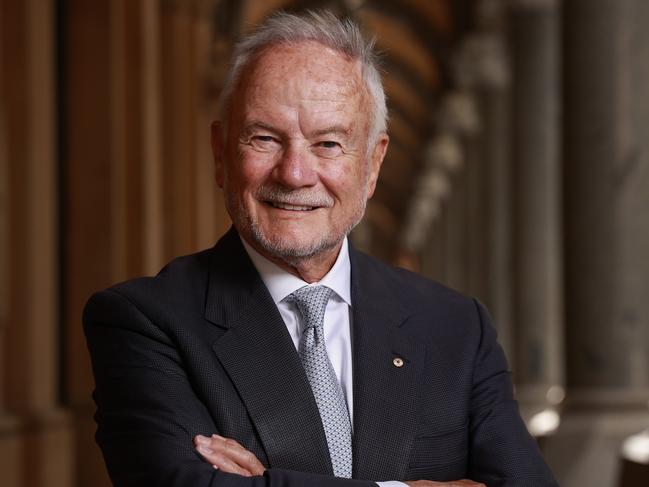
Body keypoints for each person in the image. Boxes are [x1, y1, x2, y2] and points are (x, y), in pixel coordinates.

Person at [83, 10, 558, 487]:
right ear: (221, 153)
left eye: (328, 144)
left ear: (372, 166)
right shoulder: (143, 321)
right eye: (265, 139)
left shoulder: (457, 327)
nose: (294, 174)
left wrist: (267, 481)